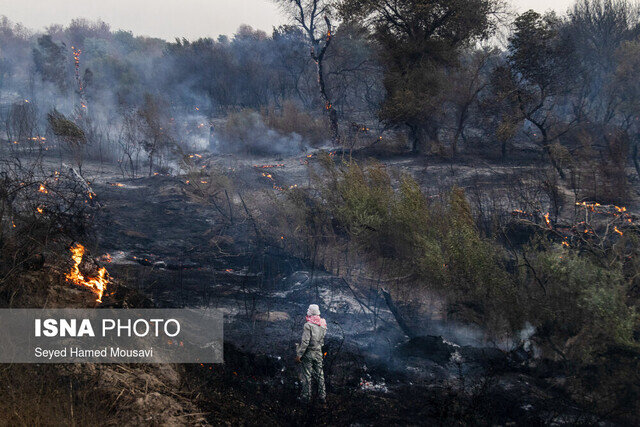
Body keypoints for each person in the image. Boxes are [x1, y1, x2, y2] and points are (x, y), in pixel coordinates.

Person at [295, 304, 327, 403]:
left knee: (307, 375)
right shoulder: (323, 324)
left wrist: (299, 355)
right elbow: (322, 340)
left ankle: (306, 397)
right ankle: (322, 397)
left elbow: (305, 342)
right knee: (320, 375)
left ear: (310, 312)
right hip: (318, 352)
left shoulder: (308, 325)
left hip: (308, 353)